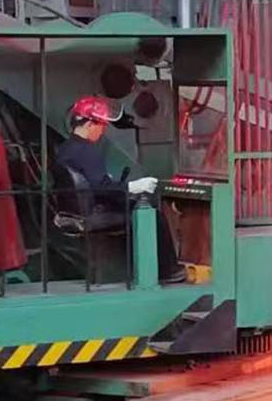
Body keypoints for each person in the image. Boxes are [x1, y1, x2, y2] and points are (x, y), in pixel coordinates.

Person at [55, 96, 184, 283]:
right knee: (153, 215)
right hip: (92, 212)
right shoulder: (87, 151)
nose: (103, 130)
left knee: (130, 205)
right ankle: (167, 271)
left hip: (75, 211)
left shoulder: (66, 148)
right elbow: (102, 189)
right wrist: (133, 187)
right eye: (101, 125)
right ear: (89, 124)